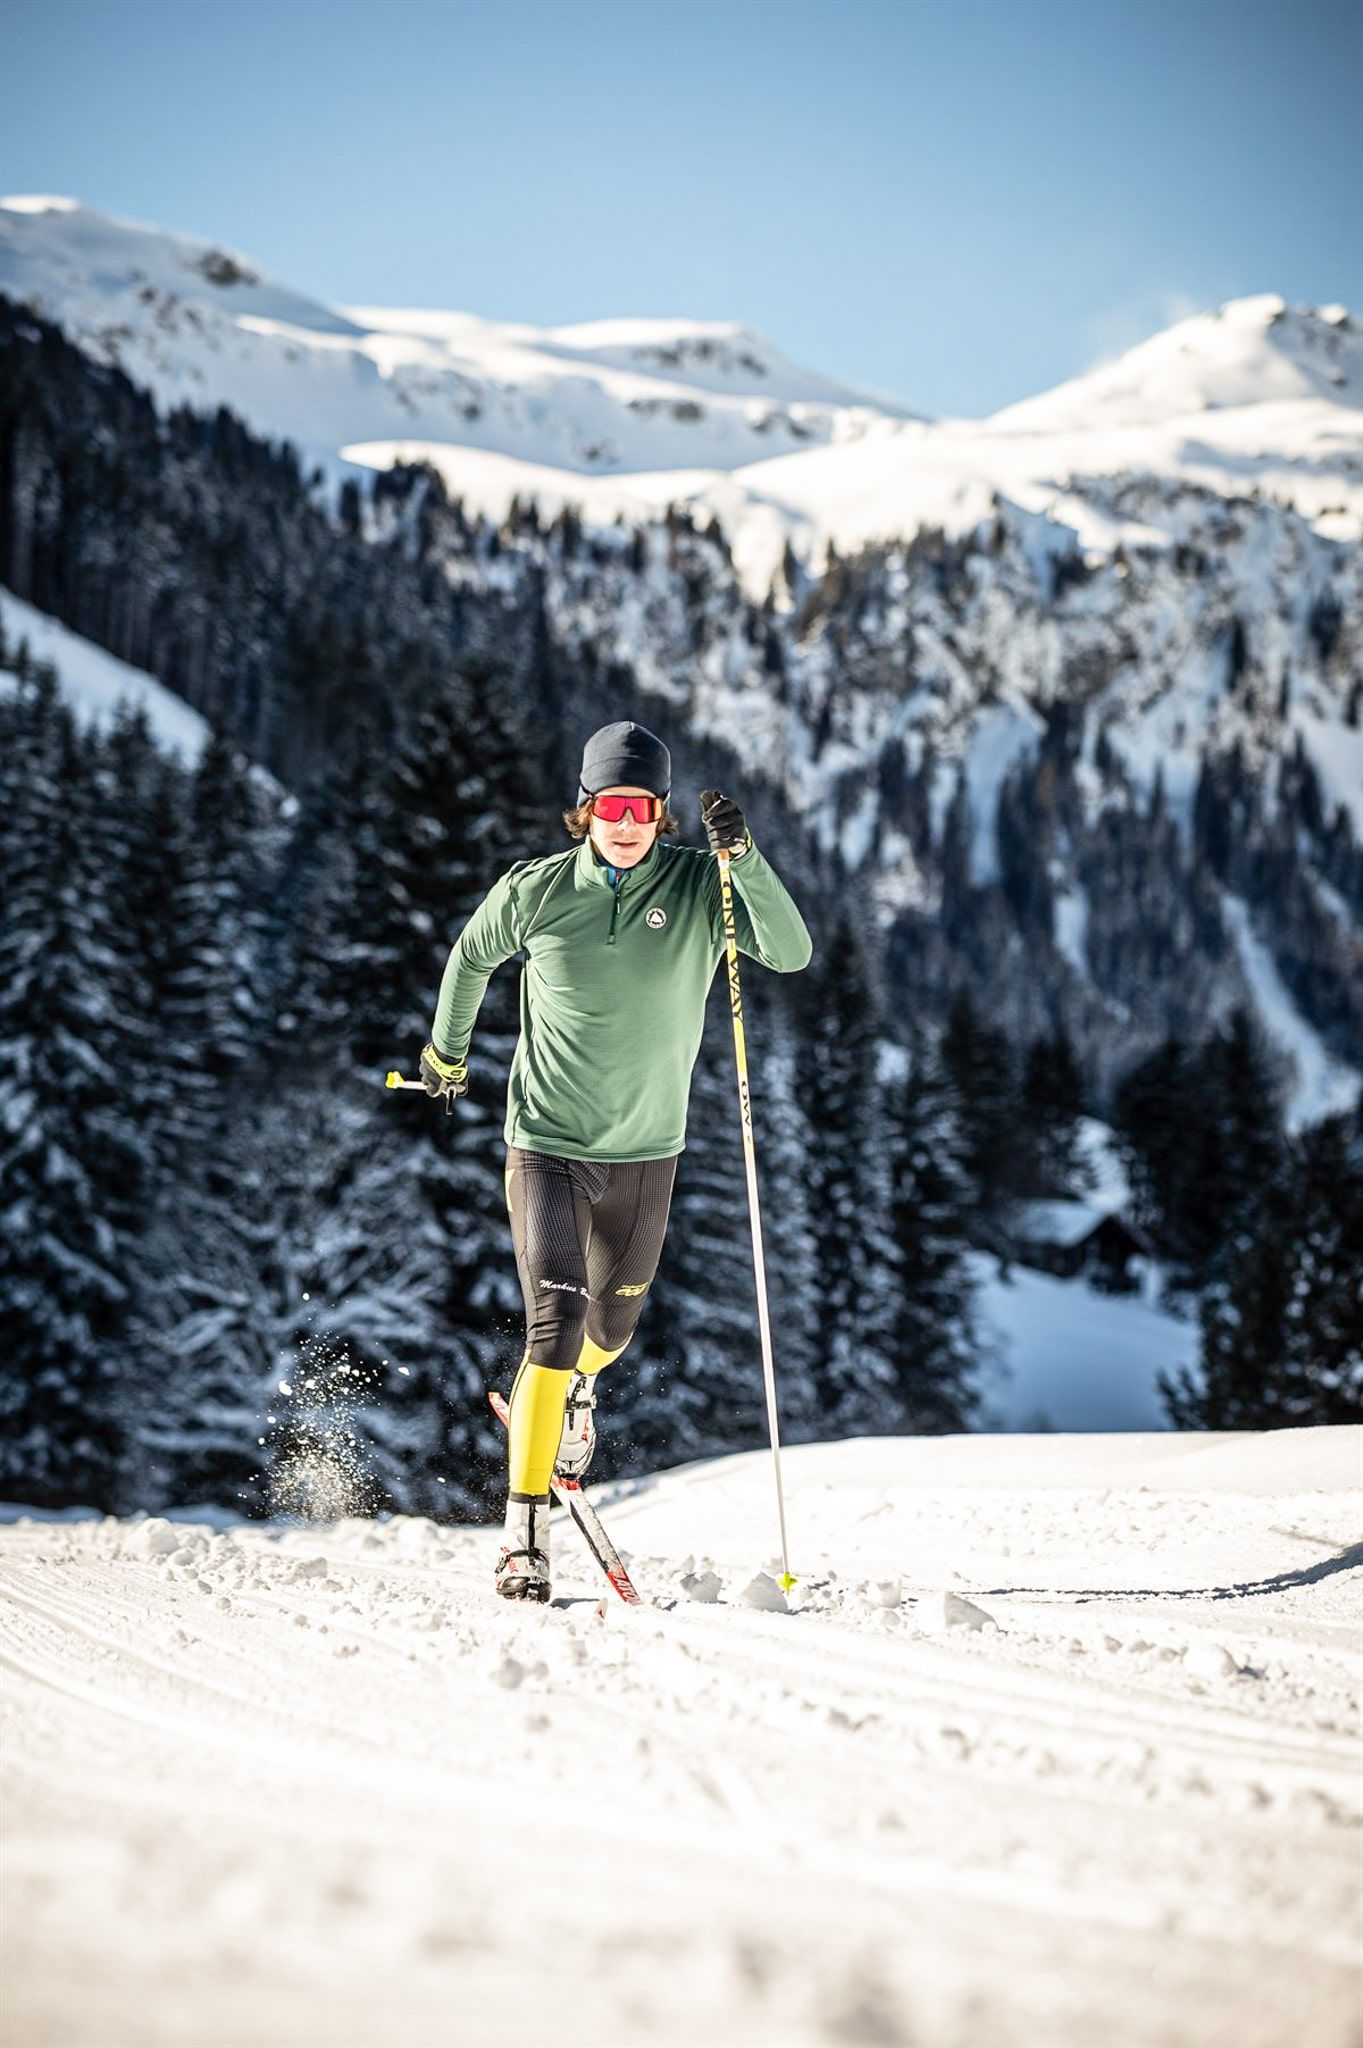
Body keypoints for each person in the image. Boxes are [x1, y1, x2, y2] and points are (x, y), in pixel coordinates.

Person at [420, 719, 813, 1601]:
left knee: (608, 1335)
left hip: (647, 1154)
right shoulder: (535, 890)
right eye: (611, 806)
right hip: (545, 1145)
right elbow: (470, 957)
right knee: (554, 1325)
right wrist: (446, 1054)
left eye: (642, 808)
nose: (626, 823)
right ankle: (523, 1536)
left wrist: (743, 859)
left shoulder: (701, 885)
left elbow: (790, 954)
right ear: (585, 809)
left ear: (662, 813)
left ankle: (571, 1396)